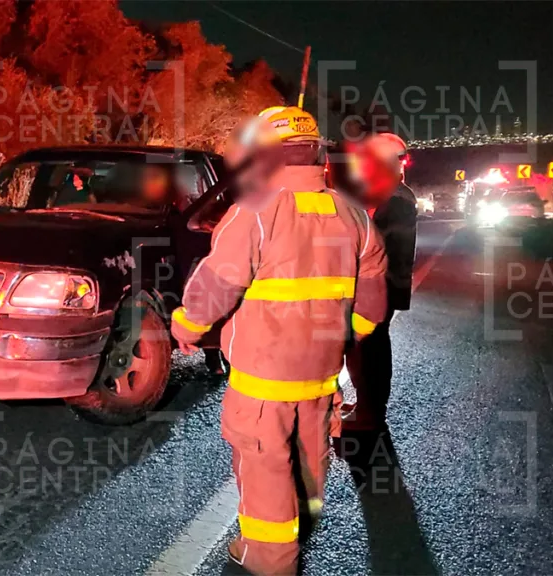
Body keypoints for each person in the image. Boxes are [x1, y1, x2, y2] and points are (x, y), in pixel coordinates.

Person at [170, 106, 389, 575]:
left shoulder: (252, 213)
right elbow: (372, 309)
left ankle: (269, 560)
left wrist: (185, 326)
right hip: (321, 382)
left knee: (267, 471)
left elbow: (217, 285)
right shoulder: (355, 216)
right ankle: (298, 531)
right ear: (316, 154)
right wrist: (339, 338)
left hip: (263, 386)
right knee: (311, 464)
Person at [341, 132, 417, 433]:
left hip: (381, 285)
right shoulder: (388, 193)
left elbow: (376, 245)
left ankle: (371, 413)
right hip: (378, 284)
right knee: (366, 347)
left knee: (371, 350)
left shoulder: (396, 199)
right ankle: (365, 405)